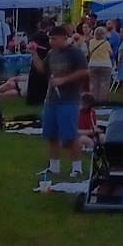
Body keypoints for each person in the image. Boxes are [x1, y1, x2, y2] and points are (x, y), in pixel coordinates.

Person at [36, 22, 90, 190]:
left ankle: (77, 168)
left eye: (54, 38)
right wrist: (33, 54)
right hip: (51, 99)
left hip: (69, 99)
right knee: (51, 135)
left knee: (69, 136)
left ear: (63, 38)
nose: (51, 41)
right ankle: (54, 166)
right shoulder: (52, 53)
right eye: (49, 38)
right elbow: (42, 69)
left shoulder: (75, 53)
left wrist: (63, 80)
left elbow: (84, 71)